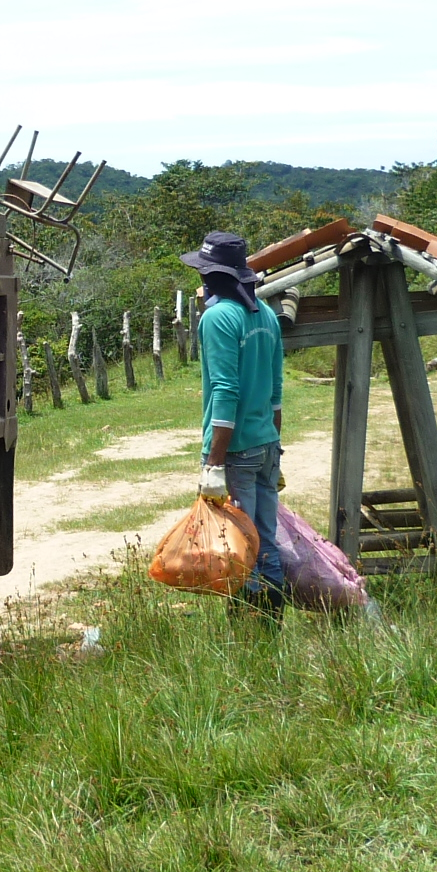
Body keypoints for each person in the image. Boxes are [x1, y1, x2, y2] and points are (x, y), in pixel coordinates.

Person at [183, 232, 286, 616]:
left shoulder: (217, 318)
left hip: (237, 451)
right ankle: (273, 622)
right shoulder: (266, 316)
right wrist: (275, 445)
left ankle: (248, 625)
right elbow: (276, 390)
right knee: (266, 538)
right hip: (266, 446)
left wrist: (214, 463)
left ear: (211, 276)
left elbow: (225, 392)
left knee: (238, 543)